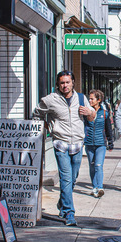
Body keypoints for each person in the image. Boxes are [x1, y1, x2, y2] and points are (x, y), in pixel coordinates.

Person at [32, 71, 95, 226]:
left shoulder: (81, 98)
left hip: (78, 144)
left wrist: (89, 113)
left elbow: (92, 117)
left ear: (73, 82)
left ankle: (62, 202)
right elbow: (36, 114)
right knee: (66, 178)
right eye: (62, 83)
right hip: (60, 143)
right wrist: (46, 127)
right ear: (57, 84)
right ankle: (69, 213)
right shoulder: (50, 100)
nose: (65, 86)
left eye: (67, 82)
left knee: (72, 179)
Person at [84, 89, 114, 198]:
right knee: (92, 166)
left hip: (101, 143)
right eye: (89, 98)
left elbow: (108, 128)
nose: (90, 100)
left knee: (98, 165)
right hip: (89, 143)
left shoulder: (104, 113)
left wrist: (110, 142)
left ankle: (100, 187)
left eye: (92, 98)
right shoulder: (86, 112)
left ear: (98, 100)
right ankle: (94, 187)